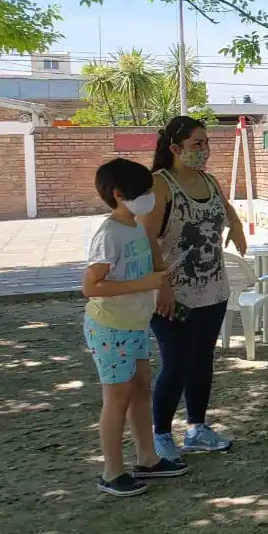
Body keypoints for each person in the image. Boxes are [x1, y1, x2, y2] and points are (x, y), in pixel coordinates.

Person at [83, 159, 188, 496]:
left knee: (141, 388)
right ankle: (112, 471)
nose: (148, 196)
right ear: (118, 194)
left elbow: (151, 259)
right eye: (142, 191)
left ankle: (148, 458)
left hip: (135, 324)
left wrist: (161, 279)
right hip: (111, 326)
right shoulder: (109, 234)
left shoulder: (137, 227)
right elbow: (92, 287)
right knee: (117, 397)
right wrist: (146, 282)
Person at [145, 116, 247, 460]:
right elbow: (145, 240)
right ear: (175, 148)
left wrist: (235, 225)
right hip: (173, 293)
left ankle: (196, 428)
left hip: (213, 289)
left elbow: (225, 206)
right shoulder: (160, 185)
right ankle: (159, 436)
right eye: (197, 145)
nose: (205, 150)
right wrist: (161, 285)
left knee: (202, 360)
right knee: (175, 363)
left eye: (207, 143)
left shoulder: (209, 180)